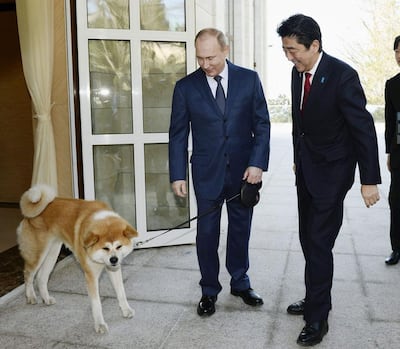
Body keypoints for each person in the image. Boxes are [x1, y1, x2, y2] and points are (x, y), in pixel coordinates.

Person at [276, 14, 381, 346]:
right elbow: (299, 124)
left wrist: (369, 180)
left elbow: (362, 128)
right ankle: (315, 296)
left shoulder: (342, 76)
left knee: (319, 243)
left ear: (315, 45)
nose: (289, 57)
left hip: (333, 174)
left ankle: (317, 318)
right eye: (285, 50)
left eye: (293, 50)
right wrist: (296, 159)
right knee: (308, 240)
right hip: (307, 170)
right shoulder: (298, 74)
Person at [168, 28, 270, 317]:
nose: (205, 64)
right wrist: (177, 174)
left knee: (240, 229)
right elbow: (177, 134)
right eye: (200, 58)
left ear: (226, 50)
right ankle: (209, 290)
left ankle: (240, 282)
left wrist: (257, 163)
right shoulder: (185, 87)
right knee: (207, 233)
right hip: (206, 173)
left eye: (210, 57)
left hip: (242, 173)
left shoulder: (249, 79)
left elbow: (261, 124)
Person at [384, 35, 400, 265]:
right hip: (399, 152)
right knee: (396, 201)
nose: (399, 56)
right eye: (397, 51)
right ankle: (396, 248)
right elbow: (390, 121)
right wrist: (389, 152)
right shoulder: (393, 84)